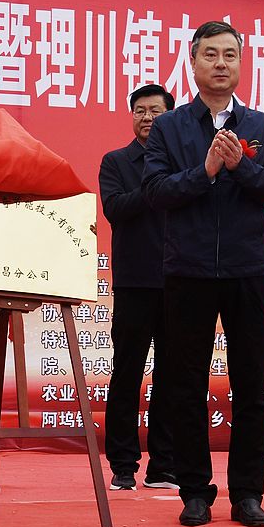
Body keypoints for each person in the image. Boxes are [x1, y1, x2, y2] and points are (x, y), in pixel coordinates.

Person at [143, 20, 264, 527]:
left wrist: (239, 167)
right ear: (193, 62)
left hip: (247, 270)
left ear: (241, 63)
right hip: (187, 272)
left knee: (252, 384)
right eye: (210, 54)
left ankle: (248, 493)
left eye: (230, 54)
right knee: (185, 384)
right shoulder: (170, 127)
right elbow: (156, 192)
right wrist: (204, 171)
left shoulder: (262, 126)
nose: (221, 63)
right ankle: (194, 491)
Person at [99, 83, 177, 492]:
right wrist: (155, 185)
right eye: (140, 111)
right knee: (127, 372)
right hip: (134, 281)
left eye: (156, 111)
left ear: (170, 116)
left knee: (173, 375)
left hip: (180, 280)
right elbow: (115, 208)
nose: (147, 118)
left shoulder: (186, 161)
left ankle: (164, 465)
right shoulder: (116, 161)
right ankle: (123, 463)